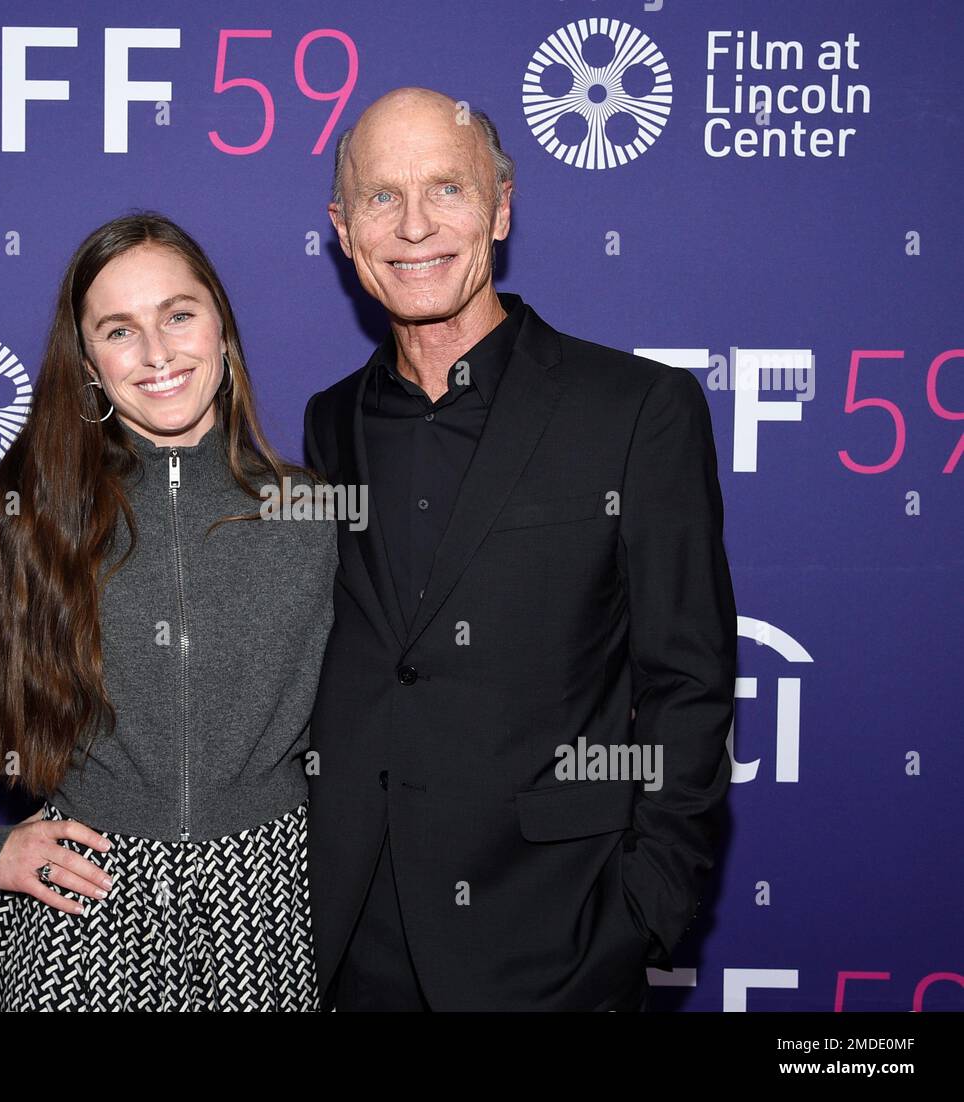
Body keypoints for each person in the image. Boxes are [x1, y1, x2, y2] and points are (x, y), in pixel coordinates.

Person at [0, 212, 337, 1011]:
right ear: (86, 362)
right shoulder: (18, 521)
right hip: (84, 915)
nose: (157, 354)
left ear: (222, 329)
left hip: (274, 921)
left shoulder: (317, 516)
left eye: (179, 315)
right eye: (120, 330)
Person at [303, 88, 738, 1011]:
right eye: (381, 197)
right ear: (344, 230)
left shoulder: (633, 411)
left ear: (501, 207)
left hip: (555, 940)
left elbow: (688, 687)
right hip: (353, 940)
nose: (414, 226)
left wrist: (643, 913)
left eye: (447, 190)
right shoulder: (331, 421)